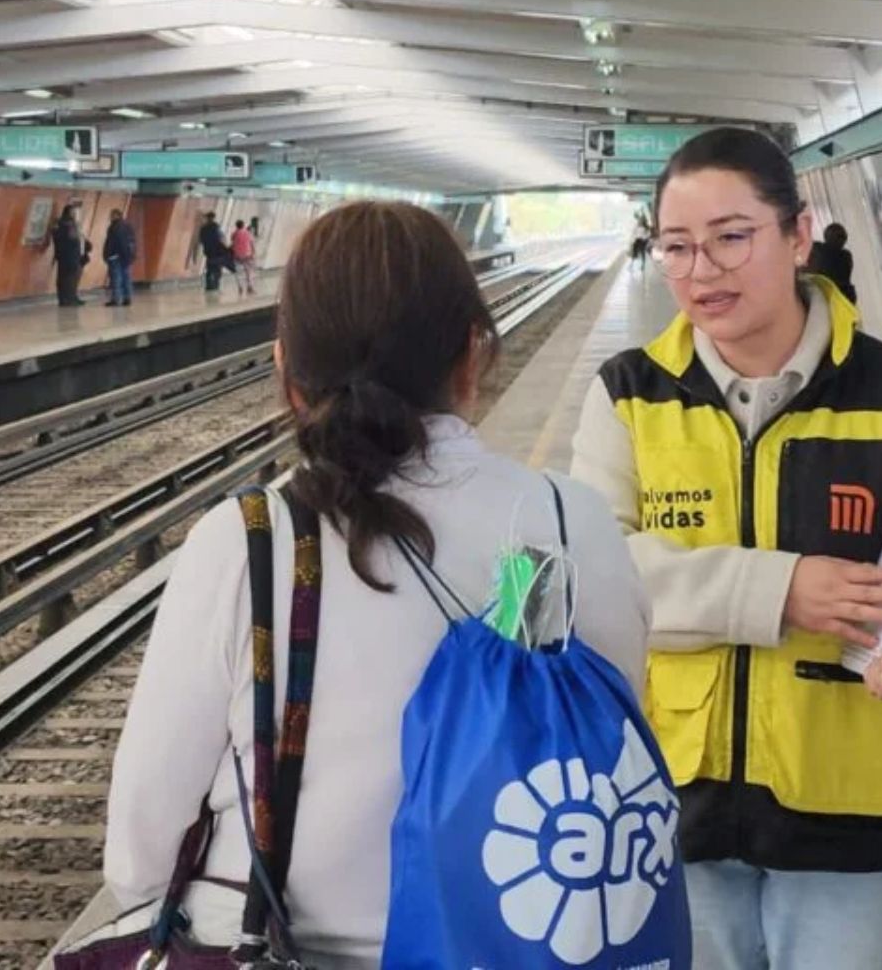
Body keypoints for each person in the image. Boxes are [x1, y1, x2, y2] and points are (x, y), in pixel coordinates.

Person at [106, 201, 653, 967]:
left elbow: (140, 857)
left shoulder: (245, 543)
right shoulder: (572, 522)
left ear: (286, 372)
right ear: (473, 353)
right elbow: (612, 737)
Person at [570, 128, 882, 969]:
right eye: (676, 247)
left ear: (797, 234)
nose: (702, 270)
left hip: (855, 812)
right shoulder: (630, 395)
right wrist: (780, 590)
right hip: (676, 806)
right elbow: (599, 570)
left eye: (731, 237)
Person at [808, 221, 857, 304]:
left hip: (826, 297)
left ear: (826, 235)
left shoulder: (817, 248)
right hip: (845, 298)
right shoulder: (846, 256)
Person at [50, 201, 87, 307]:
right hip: (71, 256)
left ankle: (66, 299)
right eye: (72, 212)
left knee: (65, 278)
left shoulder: (60, 224)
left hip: (64, 256)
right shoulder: (70, 225)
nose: (74, 214)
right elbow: (75, 239)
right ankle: (69, 298)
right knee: (70, 279)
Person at [102, 207, 137, 307]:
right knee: (126, 277)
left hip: (115, 257)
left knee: (116, 279)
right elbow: (132, 242)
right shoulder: (128, 226)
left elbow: (116, 242)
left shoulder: (115, 227)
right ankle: (127, 298)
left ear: (117, 215)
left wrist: (108, 254)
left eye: (112, 215)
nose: (110, 217)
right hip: (126, 257)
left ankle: (116, 299)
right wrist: (130, 256)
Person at [198, 210, 231, 301]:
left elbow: (201, 240)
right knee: (217, 269)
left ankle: (209, 286)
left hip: (208, 252)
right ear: (213, 218)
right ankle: (215, 286)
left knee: (209, 269)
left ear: (207, 218)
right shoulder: (217, 227)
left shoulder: (203, 229)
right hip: (217, 252)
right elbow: (221, 239)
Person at [230, 217, 257, 296]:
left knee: (238, 272)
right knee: (248, 272)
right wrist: (253, 253)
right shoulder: (248, 233)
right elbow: (252, 244)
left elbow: (233, 242)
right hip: (247, 256)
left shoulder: (234, 234)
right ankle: (249, 287)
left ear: (236, 226)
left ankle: (240, 287)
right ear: (243, 225)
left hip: (237, 256)